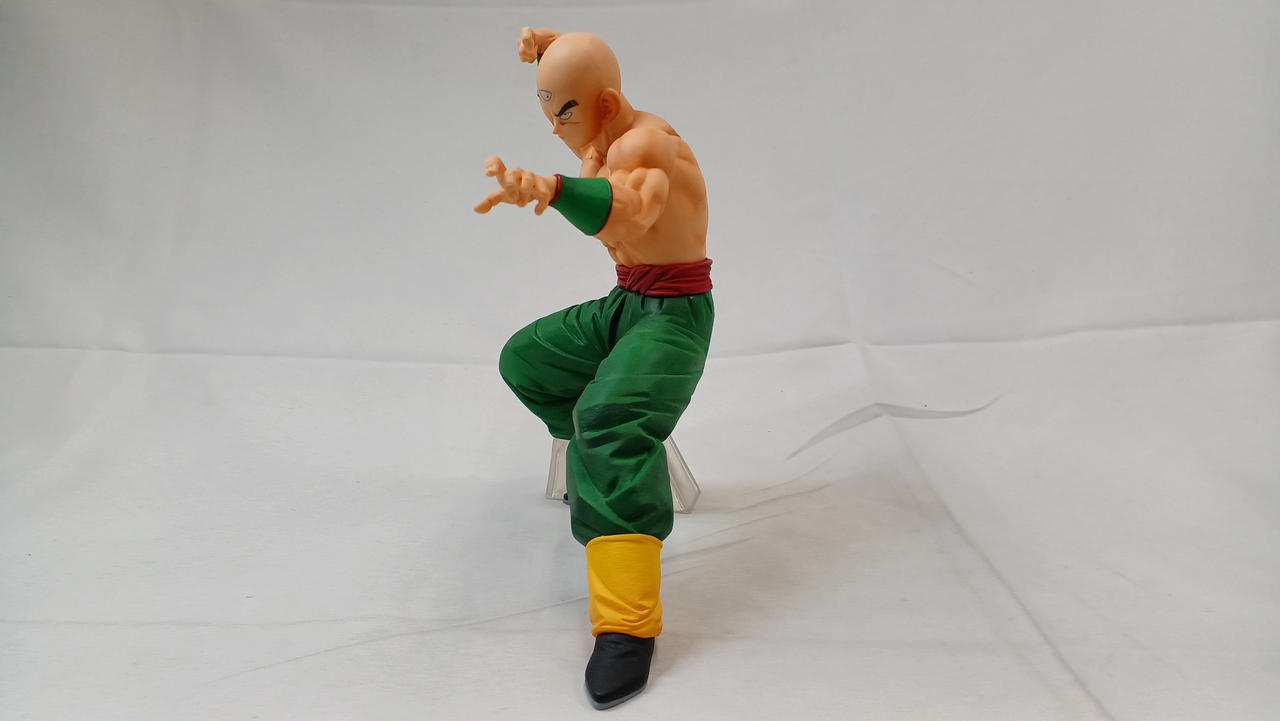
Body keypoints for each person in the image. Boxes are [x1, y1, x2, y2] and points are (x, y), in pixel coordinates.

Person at [475, 27, 714, 709]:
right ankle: (601, 466)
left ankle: (627, 624)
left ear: (605, 103)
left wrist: (551, 189)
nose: (555, 128)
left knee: (606, 420)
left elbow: (632, 212)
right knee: (529, 359)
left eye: (566, 111)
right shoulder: (597, 143)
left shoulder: (646, 144)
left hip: (675, 315)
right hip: (628, 302)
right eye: (547, 112)